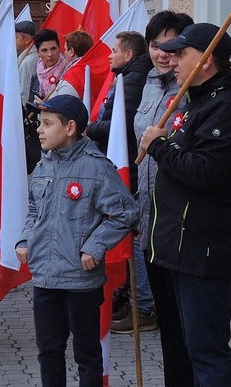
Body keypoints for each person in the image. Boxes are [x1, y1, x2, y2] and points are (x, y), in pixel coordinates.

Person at [139, 23, 231, 386]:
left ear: (207, 60)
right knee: (178, 348)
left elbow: (206, 172)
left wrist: (160, 147)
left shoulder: (230, 106)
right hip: (172, 248)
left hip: (202, 252)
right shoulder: (196, 101)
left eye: (181, 54)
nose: (171, 60)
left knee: (206, 353)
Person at [16, 94, 138, 387]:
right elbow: (35, 208)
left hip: (80, 280)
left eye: (47, 124)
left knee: (87, 354)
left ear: (70, 128)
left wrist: (95, 246)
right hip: (45, 277)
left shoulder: (96, 167)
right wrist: (26, 239)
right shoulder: (45, 164)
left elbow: (125, 212)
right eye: (40, 124)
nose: (39, 130)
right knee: (48, 350)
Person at [130, 10, 195, 386]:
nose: (163, 54)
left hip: (178, 219)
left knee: (187, 323)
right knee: (167, 319)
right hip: (148, 214)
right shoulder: (150, 83)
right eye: (156, 45)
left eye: (172, 46)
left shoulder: (191, 91)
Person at [82, 31, 157, 333]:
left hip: (131, 167)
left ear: (128, 55)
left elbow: (122, 126)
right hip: (125, 165)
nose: (109, 56)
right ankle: (132, 297)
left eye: (114, 50)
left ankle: (145, 306)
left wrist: (90, 128)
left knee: (134, 236)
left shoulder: (133, 79)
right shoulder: (130, 75)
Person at [32, 28, 67, 99]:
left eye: (53, 49)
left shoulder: (68, 71)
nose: (50, 54)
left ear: (59, 49)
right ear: (38, 53)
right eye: (44, 50)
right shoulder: (36, 77)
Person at [14, 20, 38, 105]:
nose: (13, 42)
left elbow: (24, 91)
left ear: (27, 40)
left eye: (16, 38)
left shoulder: (28, 62)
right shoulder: (25, 59)